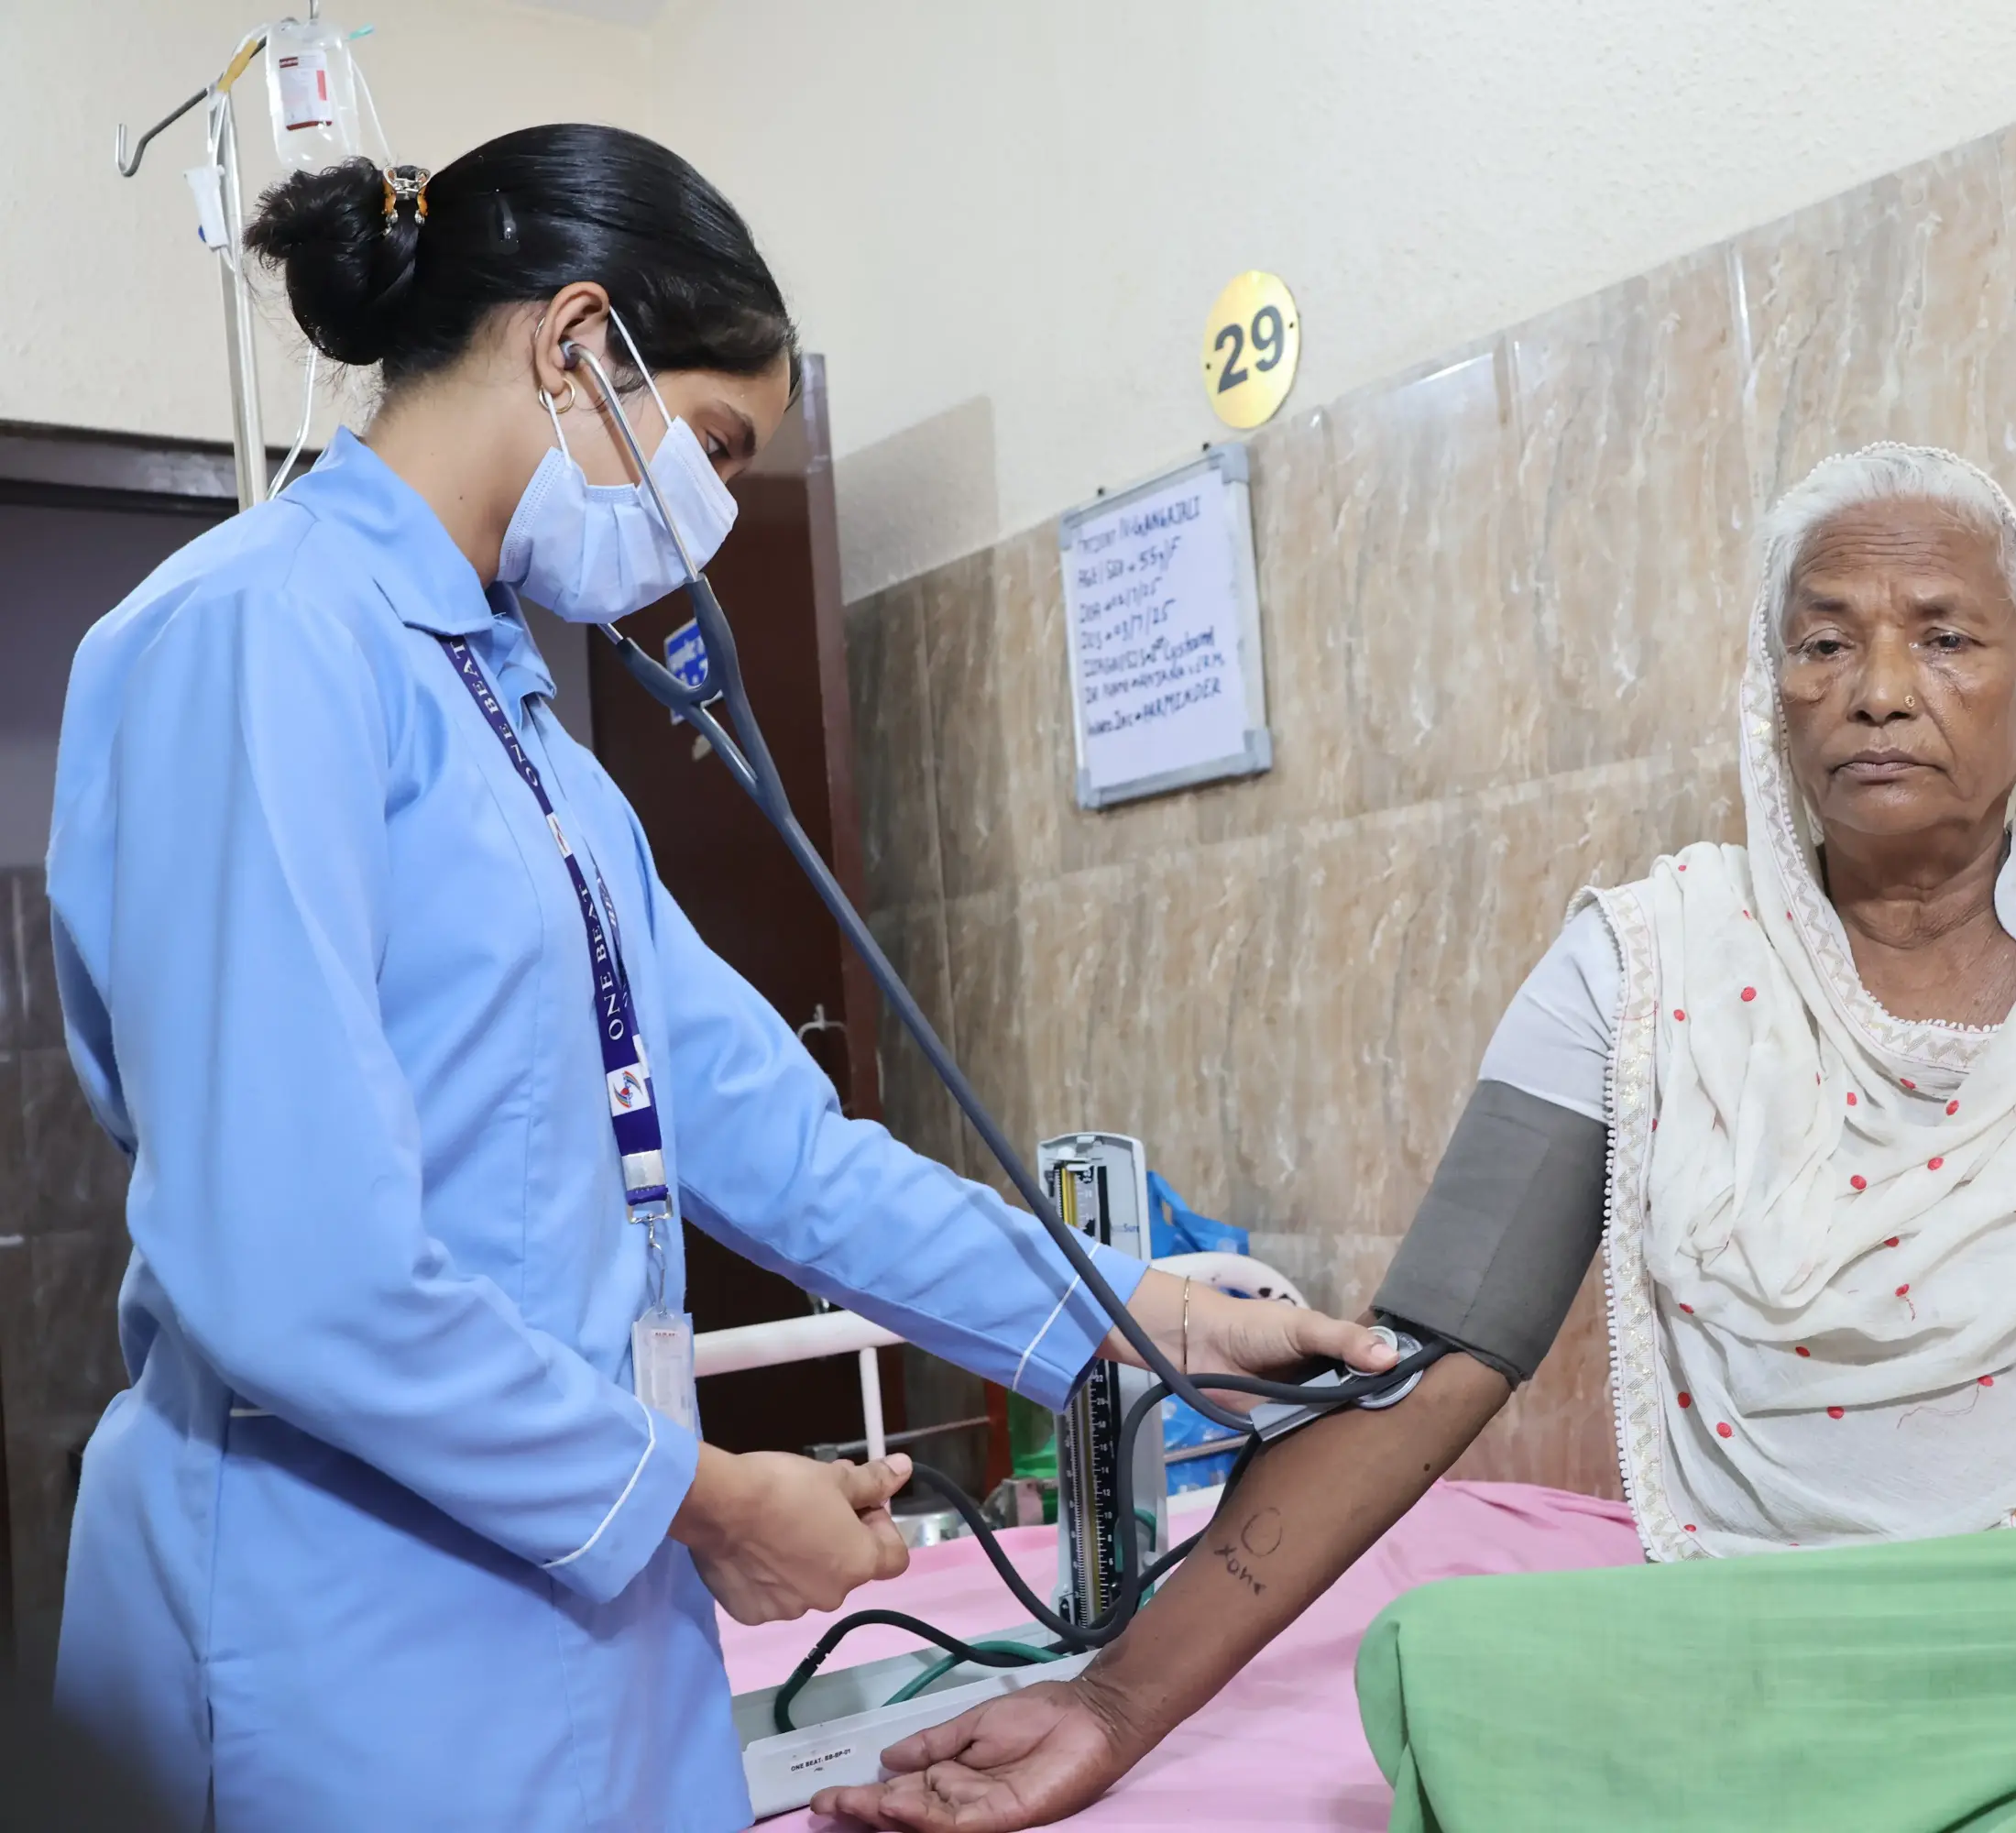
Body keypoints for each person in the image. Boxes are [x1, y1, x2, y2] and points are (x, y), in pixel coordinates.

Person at [817, 446, 2016, 1833]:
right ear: (1770, 696)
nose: (1880, 688)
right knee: (1468, 1676)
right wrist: (1110, 1707)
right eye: (1824, 643)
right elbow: (1426, 1367)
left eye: (1946, 636)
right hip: (1823, 1635)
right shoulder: (1643, 969)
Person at [47, 125, 1391, 1833]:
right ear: (576, 341)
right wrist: (706, 1501)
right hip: (333, 1649)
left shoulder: (529, 738)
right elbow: (297, 1264)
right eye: (715, 445)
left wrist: (1161, 1324)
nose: (712, 513)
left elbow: (792, 1157)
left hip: (592, 1635)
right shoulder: (256, 642)